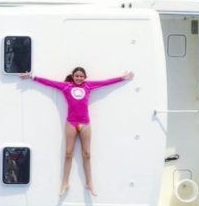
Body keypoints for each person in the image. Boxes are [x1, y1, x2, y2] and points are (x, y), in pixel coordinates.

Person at [18, 67, 134, 196]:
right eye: (77, 76)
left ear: (85, 77)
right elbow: (49, 82)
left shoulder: (88, 86)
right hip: (71, 123)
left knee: (87, 154)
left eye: (81, 76)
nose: (79, 78)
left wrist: (121, 78)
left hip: (85, 123)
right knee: (68, 154)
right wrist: (32, 77)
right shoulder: (66, 87)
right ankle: (65, 182)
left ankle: (89, 183)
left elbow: (105, 82)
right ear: (72, 76)